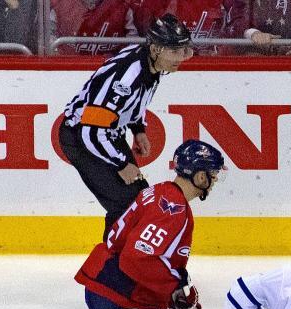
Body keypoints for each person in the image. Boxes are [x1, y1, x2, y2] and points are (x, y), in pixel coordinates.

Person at [75, 139, 223, 309]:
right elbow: (136, 259)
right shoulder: (173, 207)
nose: (212, 182)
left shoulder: (160, 192)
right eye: (211, 176)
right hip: (118, 294)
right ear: (200, 175)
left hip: (110, 288)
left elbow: (150, 258)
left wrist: (178, 298)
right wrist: (175, 288)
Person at [60, 13, 193, 238]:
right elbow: (90, 131)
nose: (180, 57)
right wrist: (121, 163)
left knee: (139, 200)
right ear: (155, 49)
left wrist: (138, 129)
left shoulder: (151, 65)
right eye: (174, 51)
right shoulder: (125, 77)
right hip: (81, 139)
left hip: (106, 134)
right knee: (126, 203)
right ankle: (110, 265)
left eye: (183, 50)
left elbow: (132, 104)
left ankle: (118, 261)